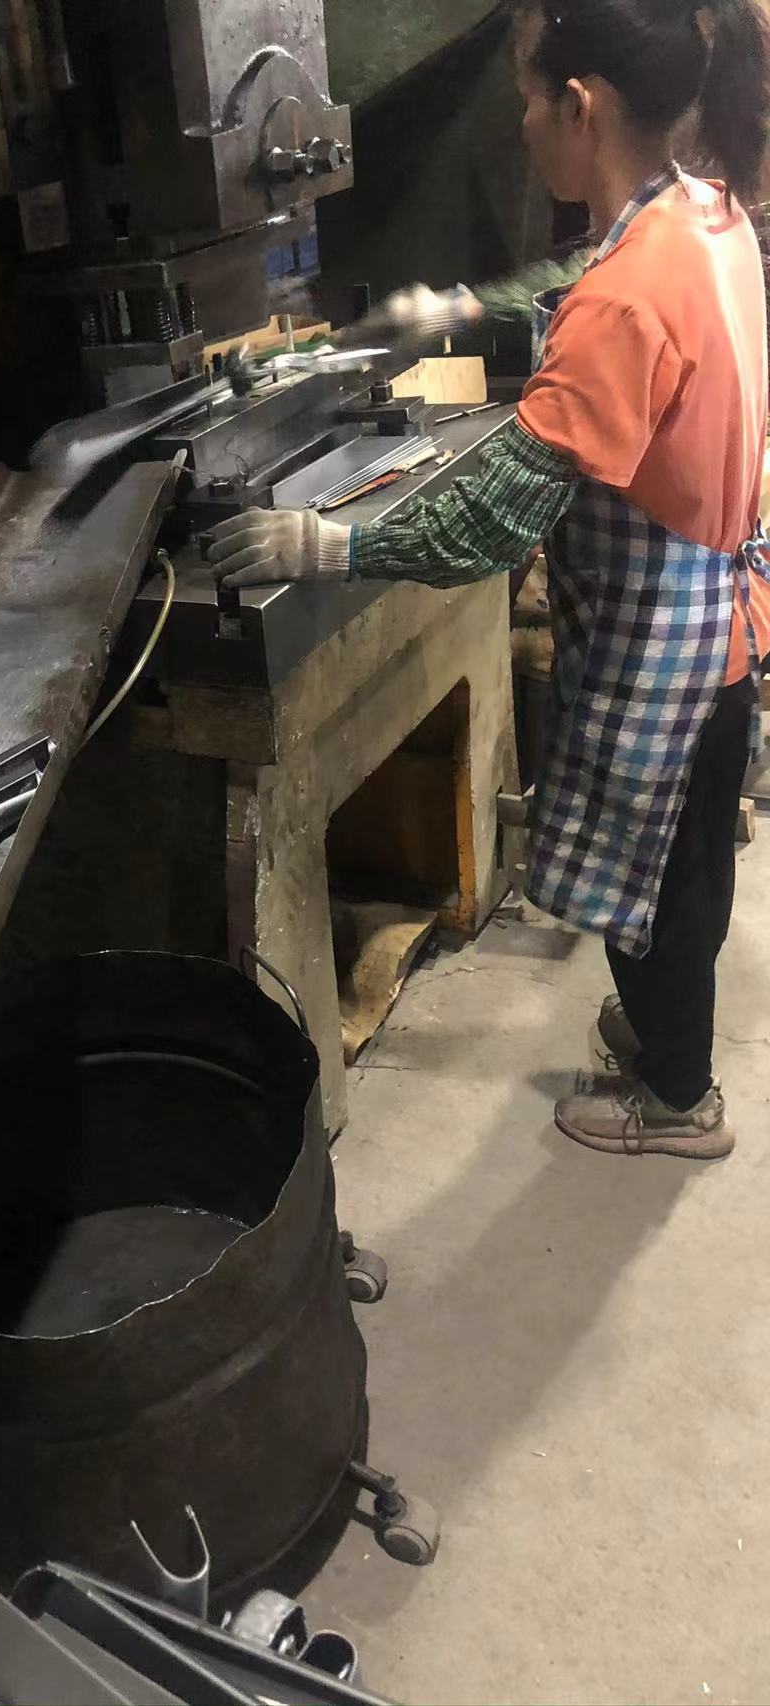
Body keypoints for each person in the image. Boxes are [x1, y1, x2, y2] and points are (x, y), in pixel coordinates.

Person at [210, 0, 770, 1161]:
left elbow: (490, 517)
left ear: (580, 106)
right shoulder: (704, 214)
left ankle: (677, 1100)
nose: (517, 124)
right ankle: (668, 1042)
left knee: (655, 889)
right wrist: (467, 309)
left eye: (526, 101)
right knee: (683, 869)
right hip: (719, 620)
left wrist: (329, 545)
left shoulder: (623, 301)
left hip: (663, 646)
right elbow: (586, 269)